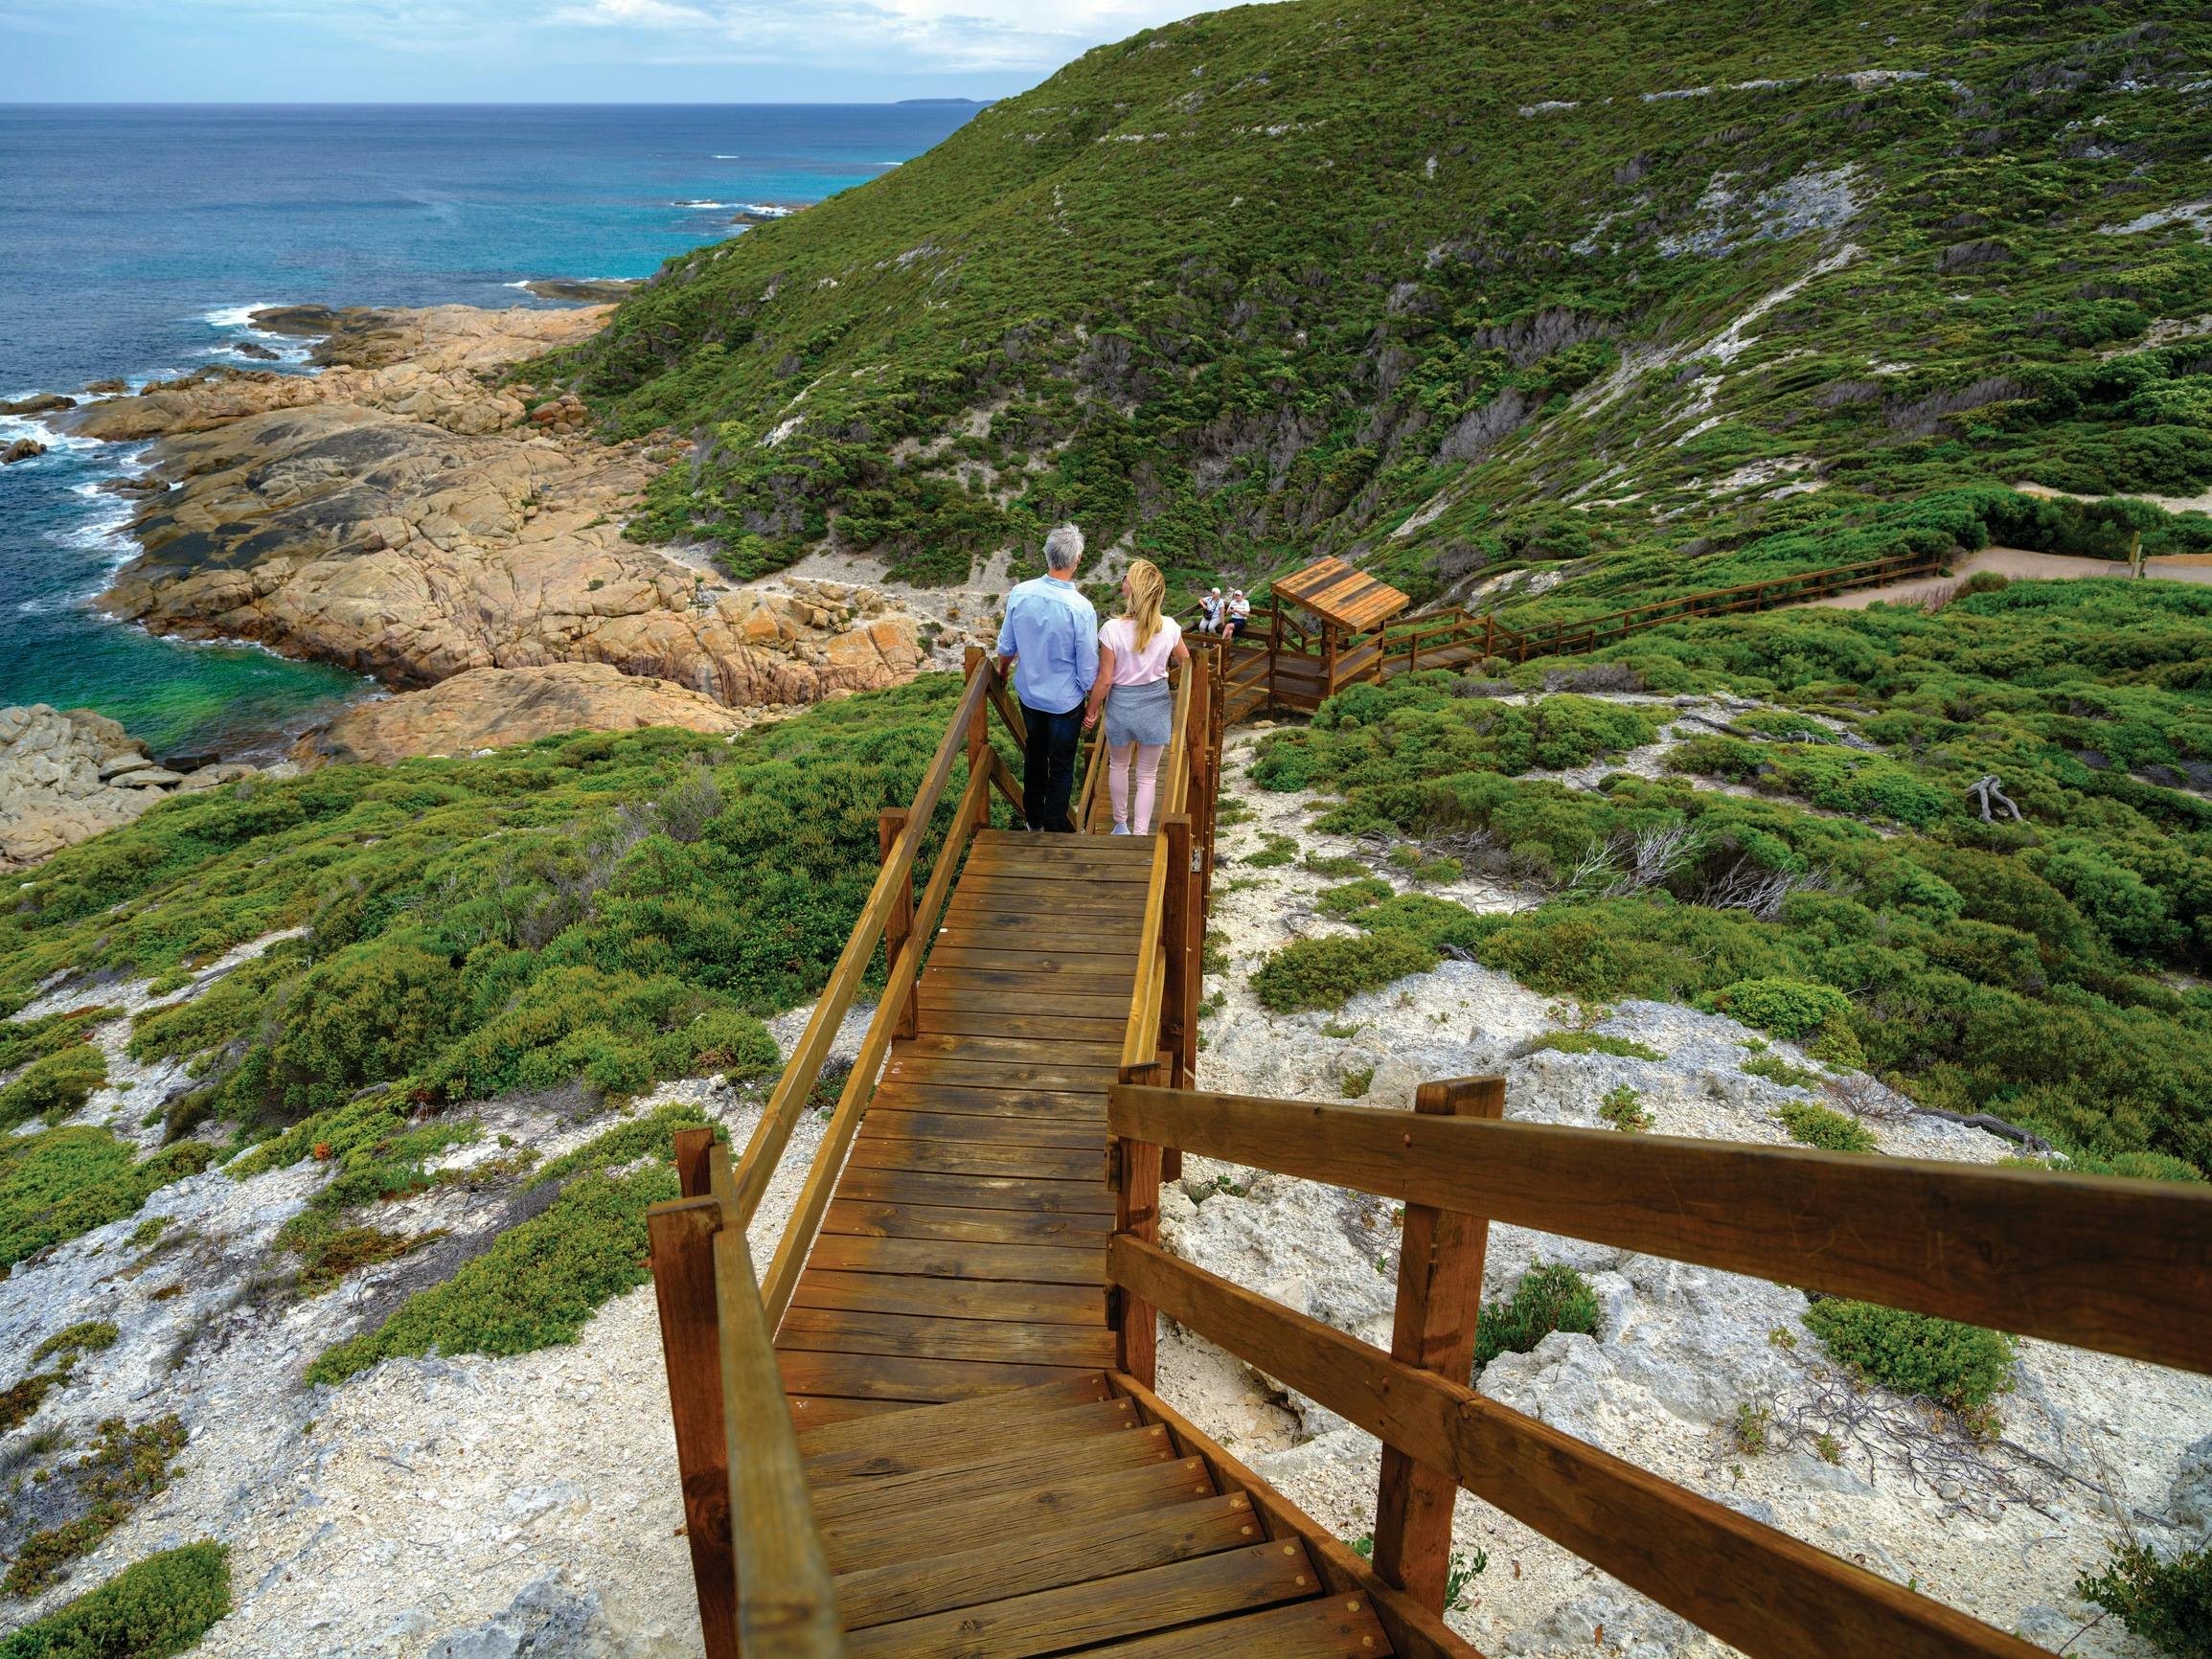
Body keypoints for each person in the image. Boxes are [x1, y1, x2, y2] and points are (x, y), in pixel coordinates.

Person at [996, 524, 1098, 832]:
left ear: (1047, 555)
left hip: (1030, 694)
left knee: (1035, 755)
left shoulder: (1021, 592)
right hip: (1065, 701)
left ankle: (1033, 821)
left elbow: (1006, 646)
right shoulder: (1081, 608)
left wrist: (1002, 672)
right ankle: (1055, 827)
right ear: (1077, 560)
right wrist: (1090, 700)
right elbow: (1087, 666)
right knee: (1062, 765)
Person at [1084, 557, 1190, 836]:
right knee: (1147, 775)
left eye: (1126, 579)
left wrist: (1092, 711)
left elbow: (1105, 680)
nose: (1123, 582)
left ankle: (1121, 825)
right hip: (1155, 706)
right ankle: (1141, 833)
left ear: (1133, 589)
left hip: (1121, 706)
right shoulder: (1169, 626)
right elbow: (1187, 663)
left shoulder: (1112, 629)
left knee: (1118, 765)